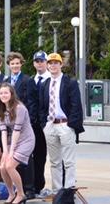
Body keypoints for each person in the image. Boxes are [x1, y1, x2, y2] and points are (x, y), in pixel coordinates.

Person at [37, 53, 84, 195]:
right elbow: (41, 106)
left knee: (68, 161)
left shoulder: (69, 82)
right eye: (50, 63)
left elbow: (76, 105)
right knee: (54, 161)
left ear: (61, 64)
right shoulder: (45, 84)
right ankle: (57, 191)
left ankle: (69, 189)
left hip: (65, 124)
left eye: (56, 63)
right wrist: (44, 124)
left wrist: (71, 125)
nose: (53, 66)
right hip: (50, 125)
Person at [0, 83, 35, 204]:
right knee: (2, 167)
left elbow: (16, 131)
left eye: (6, 93)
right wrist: (5, 151)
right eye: (1, 93)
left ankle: (21, 194)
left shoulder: (20, 108)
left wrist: (11, 151)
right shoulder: (1, 109)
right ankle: (11, 194)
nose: (3, 95)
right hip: (11, 140)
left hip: (25, 140)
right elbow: (3, 132)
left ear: (12, 94)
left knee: (9, 166)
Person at [27, 50, 50, 197]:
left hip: (47, 123)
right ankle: (36, 185)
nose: (39, 64)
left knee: (51, 157)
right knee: (35, 156)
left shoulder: (51, 79)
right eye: (37, 61)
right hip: (33, 125)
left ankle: (61, 187)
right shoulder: (31, 80)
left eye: (42, 61)